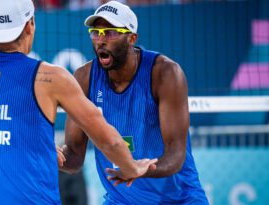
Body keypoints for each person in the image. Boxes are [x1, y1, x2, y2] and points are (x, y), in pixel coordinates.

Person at [0, 0, 157, 204]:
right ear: (30, 24)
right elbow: (109, 140)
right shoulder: (49, 76)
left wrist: (34, 144)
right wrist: (133, 168)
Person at [58, 1, 209, 204]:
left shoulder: (165, 73)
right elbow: (74, 157)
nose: (100, 40)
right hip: (121, 200)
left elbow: (176, 154)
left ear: (131, 38)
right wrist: (50, 156)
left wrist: (141, 169)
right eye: (96, 32)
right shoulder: (84, 77)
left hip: (180, 198)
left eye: (110, 32)